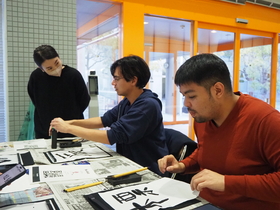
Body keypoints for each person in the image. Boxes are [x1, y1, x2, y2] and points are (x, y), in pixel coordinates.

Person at [158, 53, 280, 210]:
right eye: (183, 96)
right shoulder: (203, 118)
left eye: (192, 96)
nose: (186, 104)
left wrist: (225, 182)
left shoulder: (266, 120)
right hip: (203, 202)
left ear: (217, 90)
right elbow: (205, 152)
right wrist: (183, 166)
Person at [50, 55, 169, 175]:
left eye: (117, 79)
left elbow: (111, 136)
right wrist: (69, 122)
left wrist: (68, 128)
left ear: (133, 80)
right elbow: (103, 120)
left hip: (147, 169)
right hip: (130, 163)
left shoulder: (147, 105)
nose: (113, 83)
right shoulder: (127, 102)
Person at [28, 45, 90, 139]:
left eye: (57, 63)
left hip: (72, 129)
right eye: (49, 68)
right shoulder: (36, 77)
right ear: (41, 68)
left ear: (59, 57)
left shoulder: (73, 75)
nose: (56, 68)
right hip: (44, 130)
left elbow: (84, 100)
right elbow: (34, 99)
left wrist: (72, 115)